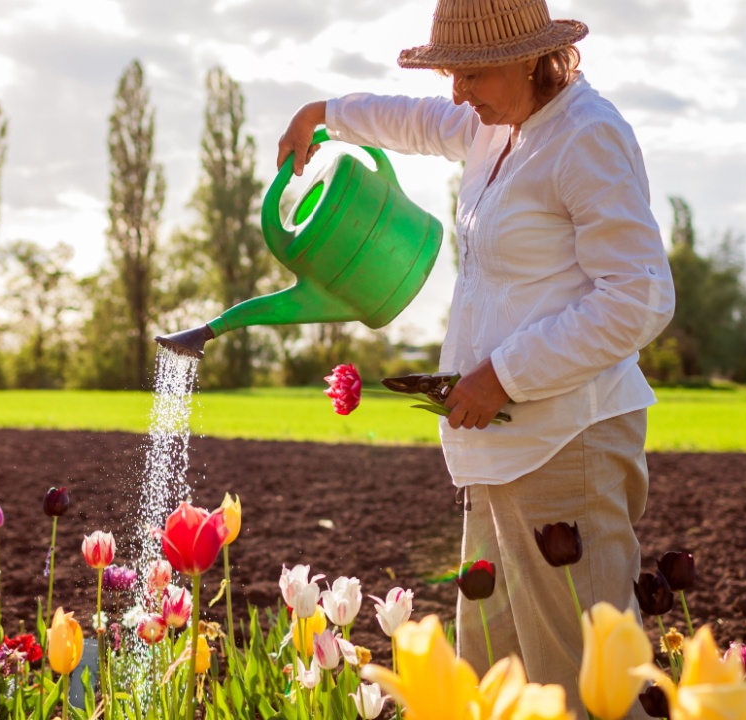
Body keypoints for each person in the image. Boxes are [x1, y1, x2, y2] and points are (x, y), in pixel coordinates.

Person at [277, 0, 676, 716]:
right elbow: (418, 121)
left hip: (566, 447)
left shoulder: (586, 137)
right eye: (450, 73)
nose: (456, 90)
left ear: (530, 57)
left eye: (469, 72)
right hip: (500, 449)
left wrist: (503, 374)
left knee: (587, 686)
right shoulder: (498, 126)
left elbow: (640, 296)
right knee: (495, 687)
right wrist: (326, 112)